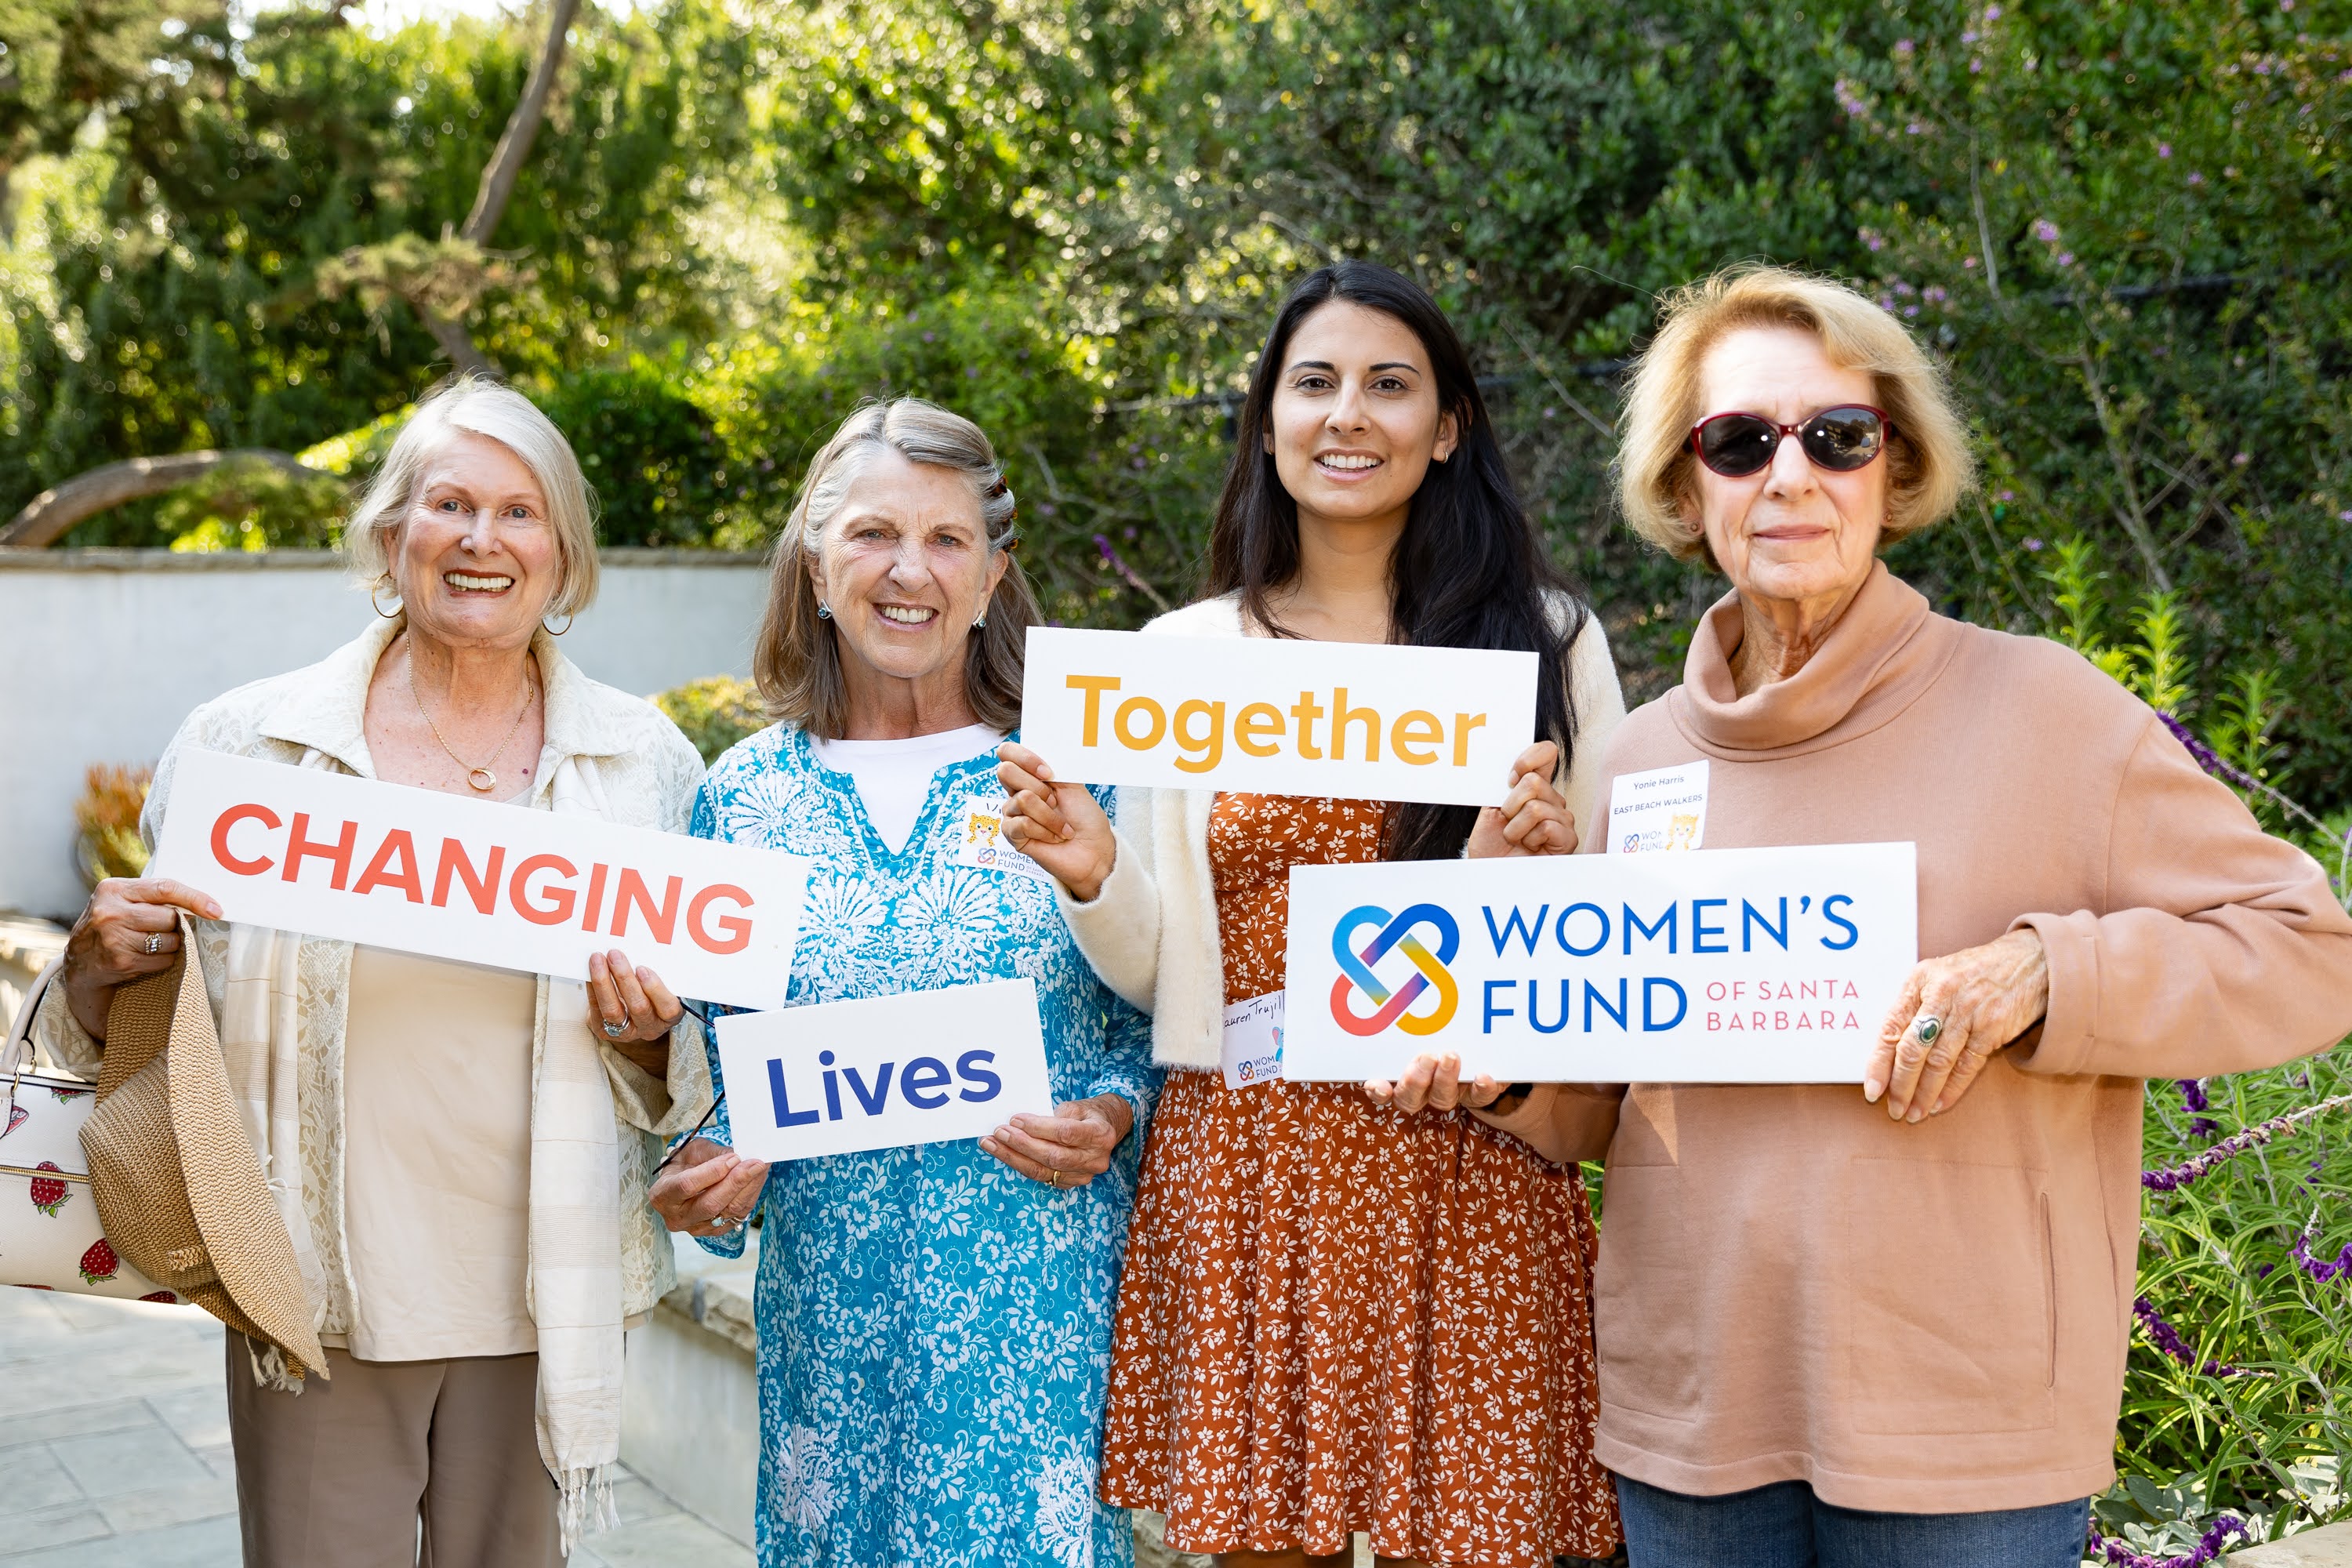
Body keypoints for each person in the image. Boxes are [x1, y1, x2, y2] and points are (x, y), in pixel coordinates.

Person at [1392, 263, 2352, 1566]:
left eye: (1838, 437)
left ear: (1894, 471)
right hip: (1694, 1419)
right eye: (1739, 442)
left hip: (1965, 1429)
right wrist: (1503, 1073)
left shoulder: (2049, 711)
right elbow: (1606, 1104)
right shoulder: (1641, 758)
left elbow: (2309, 949)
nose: (1788, 476)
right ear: (1685, 487)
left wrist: (2044, 974)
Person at [995, 260, 1628, 1567]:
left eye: (1390, 385)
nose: (1348, 414)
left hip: (1469, 1163)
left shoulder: (1551, 644)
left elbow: (1600, 940)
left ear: (1446, 427)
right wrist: (1095, 872)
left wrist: (1516, 876)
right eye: (1315, 383)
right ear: (1269, 421)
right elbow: (1165, 969)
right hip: (1250, 1168)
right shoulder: (1182, 659)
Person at [27, 374, 713, 1564]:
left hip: (545, 1298)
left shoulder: (645, 765)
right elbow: (148, 1021)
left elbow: (694, 1064)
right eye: (449, 504)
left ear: (563, 554)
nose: (481, 539)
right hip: (308, 1294)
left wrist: (653, 1036)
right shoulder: (250, 747)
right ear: (392, 536)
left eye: (519, 512)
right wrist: (93, 967)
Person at [647, 398, 1159, 1568]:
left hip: (1037, 1333)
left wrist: (1115, 1111)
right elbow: (713, 1065)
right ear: (815, 565)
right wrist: (706, 1166)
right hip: (832, 1339)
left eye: (946, 539)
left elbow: (1163, 1010)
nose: (909, 570)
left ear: (992, 577)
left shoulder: (1078, 776)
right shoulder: (742, 799)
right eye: (874, 533)